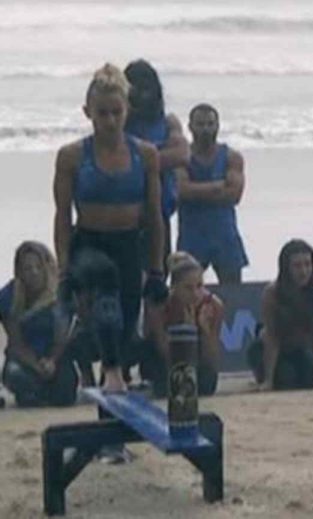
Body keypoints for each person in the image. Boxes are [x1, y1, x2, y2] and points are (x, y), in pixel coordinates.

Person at [53, 63, 167, 392]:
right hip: (89, 244)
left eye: (116, 112)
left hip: (128, 244)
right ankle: (112, 370)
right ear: (88, 112)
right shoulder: (72, 156)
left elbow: (154, 216)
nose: (110, 121)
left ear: (127, 110)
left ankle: (108, 368)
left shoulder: (145, 155)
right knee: (104, 279)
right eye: (102, 113)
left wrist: (156, 270)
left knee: (125, 326)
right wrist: (63, 270)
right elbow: (63, 217)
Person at [124, 59, 189, 266]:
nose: (143, 93)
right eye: (136, 87)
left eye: (147, 86)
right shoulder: (118, 121)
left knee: (158, 269)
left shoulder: (168, 122)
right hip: (126, 209)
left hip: (160, 210)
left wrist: (139, 161)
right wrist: (158, 157)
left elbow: (181, 154)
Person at [175, 104, 248, 284]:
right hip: (192, 235)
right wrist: (218, 186)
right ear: (190, 127)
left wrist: (196, 190)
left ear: (218, 126)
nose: (206, 129)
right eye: (200, 124)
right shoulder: (182, 157)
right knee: (184, 289)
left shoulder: (232, 157)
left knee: (233, 292)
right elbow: (181, 191)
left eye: (210, 124)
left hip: (224, 235)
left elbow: (234, 195)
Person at [246, 239, 313, 390]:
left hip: (298, 349)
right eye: (297, 266)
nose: (303, 271)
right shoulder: (272, 293)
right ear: (286, 268)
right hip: (268, 347)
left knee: (311, 377)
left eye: (307, 265)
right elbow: (272, 337)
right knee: (286, 379)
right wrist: (268, 380)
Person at [0, 242, 77, 407]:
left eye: (38, 267)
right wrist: (36, 365)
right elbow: (16, 343)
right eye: (28, 268)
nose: (34, 273)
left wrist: (51, 361)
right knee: (15, 375)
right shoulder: (9, 296)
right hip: (24, 359)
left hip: (55, 357)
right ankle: (33, 393)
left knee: (66, 392)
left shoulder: (60, 294)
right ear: (19, 272)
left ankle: (43, 393)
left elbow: (63, 338)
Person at [140, 252, 223, 397]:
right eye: (188, 288)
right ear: (174, 287)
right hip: (167, 361)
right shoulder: (160, 307)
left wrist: (204, 331)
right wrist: (185, 331)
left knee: (206, 384)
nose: (195, 294)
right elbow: (164, 351)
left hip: (198, 362)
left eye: (199, 286)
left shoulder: (213, 305)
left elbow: (211, 360)